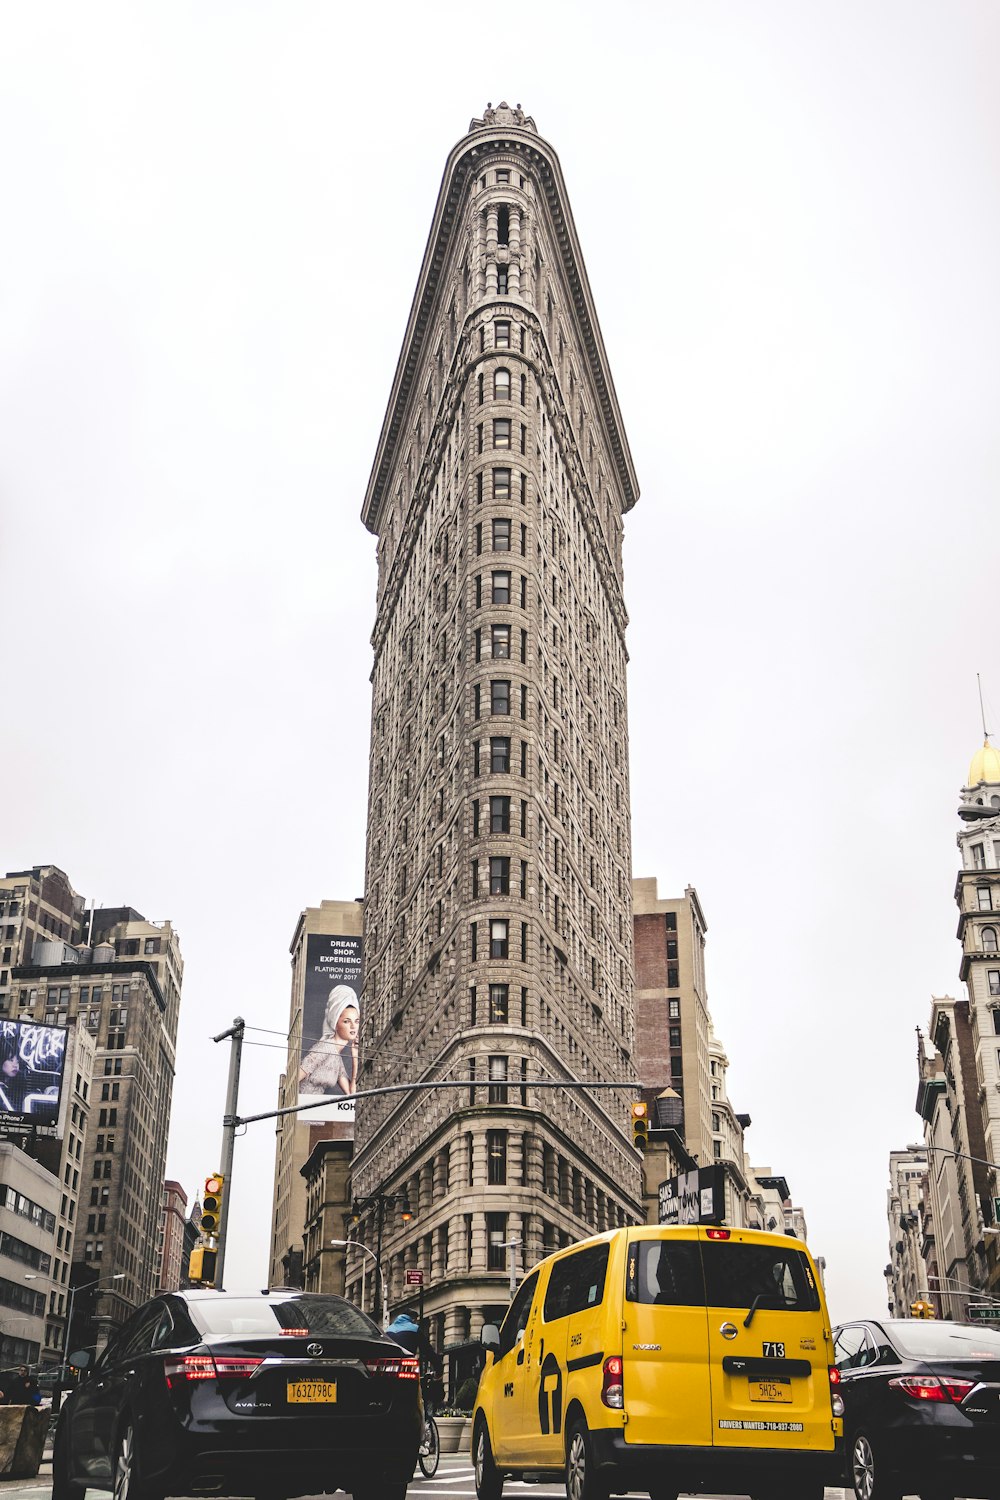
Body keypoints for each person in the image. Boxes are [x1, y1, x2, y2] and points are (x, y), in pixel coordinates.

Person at [299, 987, 359, 1097]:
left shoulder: (336, 1057)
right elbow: (293, 1081)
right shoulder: (324, 1048)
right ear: (335, 1023)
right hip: (304, 1107)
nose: (353, 1026)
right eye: (347, 1021)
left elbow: (352, 1094)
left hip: (316, 1107)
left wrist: (355, 1056)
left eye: (356, 1021)